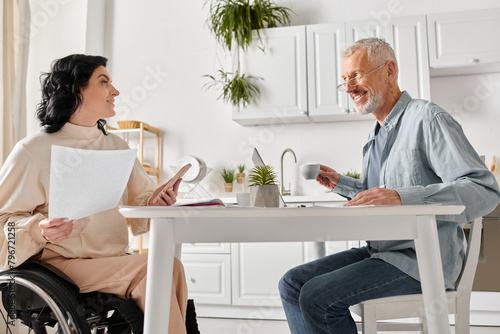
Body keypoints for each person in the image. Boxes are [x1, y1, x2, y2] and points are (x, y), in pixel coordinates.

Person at [278, 38, 500, 333]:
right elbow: (383, 198)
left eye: (356, 75)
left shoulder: (428, 119)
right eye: (344, 80)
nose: (348, 88)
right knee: (292, 284)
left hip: (424, 261)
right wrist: (341, 184)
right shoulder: (375, 136)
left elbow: (484, 190)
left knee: (318, 297)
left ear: (389, 70)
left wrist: (402, 197)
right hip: (381, 252)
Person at [0, 54, 197, 333]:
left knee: (170, 265)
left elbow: (141, 201)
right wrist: (37, 230)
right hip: (60, 267)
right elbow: (3, 220)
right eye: (104, 82)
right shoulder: (33, 150)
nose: (115, 91)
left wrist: (155, 201)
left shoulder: (115, 145)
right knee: (153, 270)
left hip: (110, 259)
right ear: (76, 88)